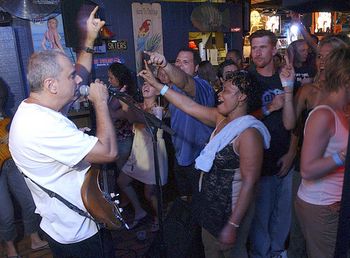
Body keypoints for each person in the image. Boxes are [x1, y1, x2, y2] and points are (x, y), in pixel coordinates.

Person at [9, 7, 117, 258]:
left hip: (64, 226)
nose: (78, 81)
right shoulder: (42, 125)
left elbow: (80, 70)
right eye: (70, 77)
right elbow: (109, 152)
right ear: (51, 85)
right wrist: (100, 103)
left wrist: (89, 38)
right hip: (78, 232)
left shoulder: (37, 107)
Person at [139, 66, 270, 257]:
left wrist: (233, 225)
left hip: (229, 214)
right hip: (209, 210)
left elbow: (250, 183)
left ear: (241, 97)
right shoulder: (221, 119)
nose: (220, 94)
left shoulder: (249, 134)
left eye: (226, 91)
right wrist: (159, 87)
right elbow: (188, 106)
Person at [287, 36, 347, 258]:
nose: (322, 62)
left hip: (332, 199)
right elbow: (293, 126)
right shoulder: (317, 102)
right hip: (320, 200)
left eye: (329, 57)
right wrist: (286, 90)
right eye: (320, 56)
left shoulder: (341, 103)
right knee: (302, 241)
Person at [247, 29, 296, 258]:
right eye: (254, 47)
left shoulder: (284, 76)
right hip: (260, 161)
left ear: (274, 49)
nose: (257, 52)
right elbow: (240, 122)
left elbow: (294, 122)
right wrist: (269, 108)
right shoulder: (247, 79)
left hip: (284, 156)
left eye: (262, 47)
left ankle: (278, 252)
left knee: (283, 214)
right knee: (261, 217)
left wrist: (292, 153)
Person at [0, 79, 48, 258]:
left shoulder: (7, 115)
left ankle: (35, 239)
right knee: (5, 213)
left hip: (12, 164)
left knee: (30, 202)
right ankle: (10, 247)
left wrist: (11, 138)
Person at [117, 80, 168, 231]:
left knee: (149, 193)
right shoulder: (138, 106)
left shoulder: (158, 109)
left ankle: (160, 219)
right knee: (122, 181)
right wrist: (122, 98)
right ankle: (140, 211)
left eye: (151, 85)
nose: (146, 86)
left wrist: (126, 105)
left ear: (158, 91)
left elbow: (135, 118)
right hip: (138, 151)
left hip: (152, 153)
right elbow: (117, 114)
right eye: (144, 84)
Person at [107, 63, 137, 190]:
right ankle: (126, 201)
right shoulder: (117, 93)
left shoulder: (124, 95)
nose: (109, 80)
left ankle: (135, 205)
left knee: (123, 176)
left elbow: (121, 115)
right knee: (121, 174)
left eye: (111, 78)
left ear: (119, 78)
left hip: (123, 140)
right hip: (117, 139)